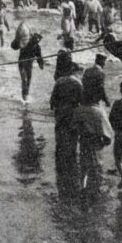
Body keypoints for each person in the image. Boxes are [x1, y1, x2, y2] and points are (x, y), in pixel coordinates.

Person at [50, 60, 83, 199]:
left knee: (59, 133)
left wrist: (54, 106)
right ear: (74, 71)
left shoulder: (60, 81)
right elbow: (82, 99)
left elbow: (53, 99)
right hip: (72, 112)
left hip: (61, 111)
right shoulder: (77, 82)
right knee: (72, 135)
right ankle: (71, 156)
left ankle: (59, 154)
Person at [71, 99, 113, 200]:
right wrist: (107, 140)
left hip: (84, 141)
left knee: (84, 165)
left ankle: (83, 187)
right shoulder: (99, 110)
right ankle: (95, 191)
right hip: (96, 141)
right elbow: (106, 129)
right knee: (97, 165)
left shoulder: (78, 110)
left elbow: (73, 127)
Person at [17, 33, 44, 102]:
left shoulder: (37, 47)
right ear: (32, 39)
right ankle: (24, 96)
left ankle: (26, 96)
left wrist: (41, 64)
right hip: (22, 64)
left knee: (28, 81)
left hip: (29, 65)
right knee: (24, 79)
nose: (37, 41)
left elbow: (39, 57)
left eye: (38, 41)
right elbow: (20, 51)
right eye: (36, 40)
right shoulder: (26, 44)